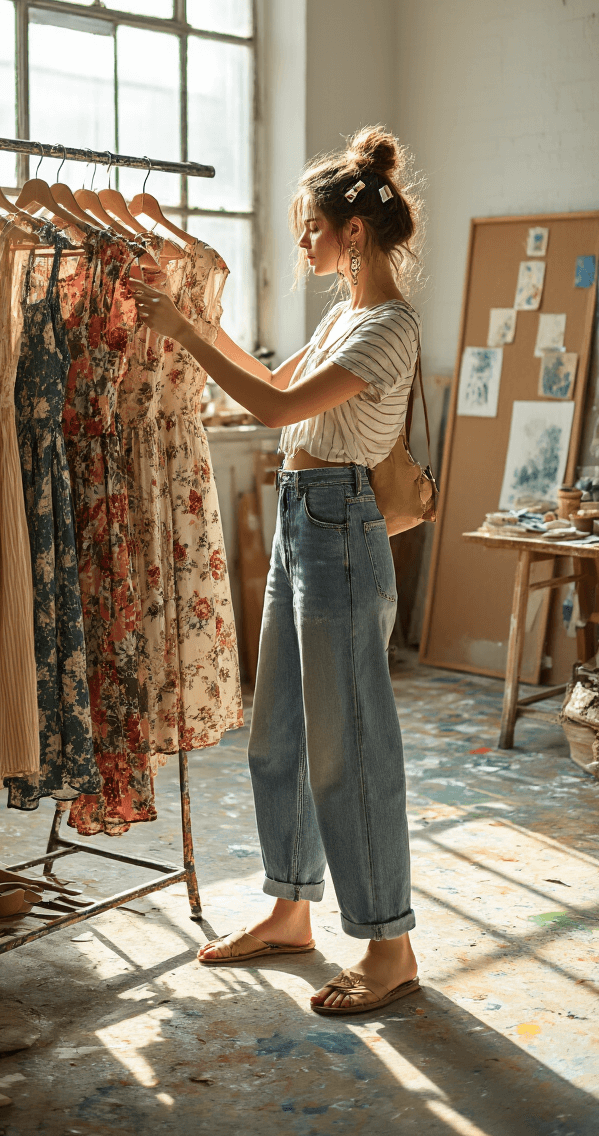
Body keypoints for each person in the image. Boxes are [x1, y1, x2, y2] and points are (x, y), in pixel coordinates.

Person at [130, 126, 424, 1017]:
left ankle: (390, 946)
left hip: (342, 530)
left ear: (355, 235)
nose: (304, 243)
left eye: (311, 229)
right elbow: (260, 378)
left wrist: (185, 330)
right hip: (306, 525)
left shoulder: (388, 325)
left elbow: (275, 405)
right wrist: (193, 315)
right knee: (279, 737)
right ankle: (291, 908)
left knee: (351, 751)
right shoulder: (341, 315)